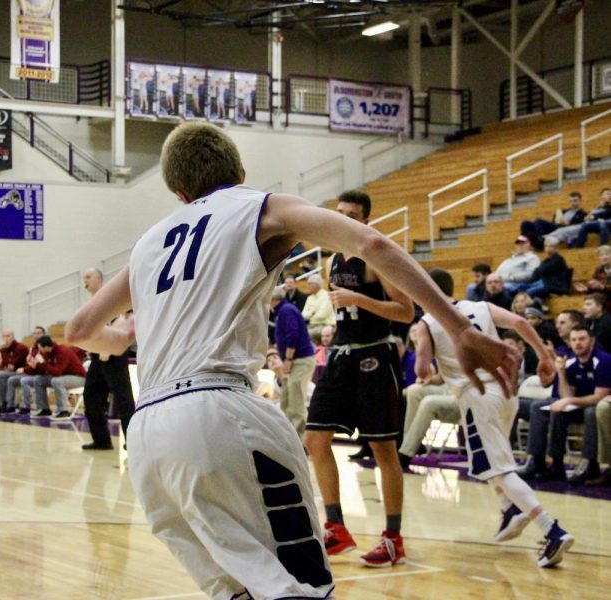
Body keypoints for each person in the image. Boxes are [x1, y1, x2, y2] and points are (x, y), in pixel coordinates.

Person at [64, 123, 517, 597]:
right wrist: (460, 328)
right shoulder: (260, 206)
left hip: (148, 434)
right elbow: (373, 245)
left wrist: (135, 334)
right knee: (300, 586)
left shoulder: (148, 244)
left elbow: (81, 331)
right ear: (240, 170)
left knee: (242, 590)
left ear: (177, 192)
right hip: (219, 411)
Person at [414, 268, 573, 568]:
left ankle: (552, 529)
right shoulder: (480, 306)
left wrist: (428, 369)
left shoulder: (426, 322)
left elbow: (423, 370)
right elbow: (520, 322)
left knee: (498, 468)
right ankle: (509, 509)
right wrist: (544, 357)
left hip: (478, 395)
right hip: (506, 392)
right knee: (488, 462)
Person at [305, 190, 418, 567]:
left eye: (352, 214)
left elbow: (405, 312)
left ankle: (393, 538)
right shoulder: (333, 260)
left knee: (383, 449)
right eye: (340, 213)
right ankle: (336, 527)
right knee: (315, 439)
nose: (345, 218)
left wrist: (360, 300)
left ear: (365, 220)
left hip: (375, 356)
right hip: (342, 355)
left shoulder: (376, 257)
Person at [519, 326, 611, 483]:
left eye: (582, 339)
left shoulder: (603, 360)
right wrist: (561, 373)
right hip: (578, 405)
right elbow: (566, 395)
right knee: (551, 409)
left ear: (592, 341)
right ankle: (548, 462)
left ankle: (589, 463)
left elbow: (599, 397)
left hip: (597, 405)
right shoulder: (571, 362)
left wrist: (569, 401)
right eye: (574, 340)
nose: (577, 343)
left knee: (590, 412)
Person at [81, 267, 136, 451]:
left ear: (99, 279)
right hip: (98, 357)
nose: (85, 281)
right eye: (84, 278)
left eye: (88, 277)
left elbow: (121, 323)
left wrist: (109, 348)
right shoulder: (93, 301)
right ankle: (102, 440)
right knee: (91, 397)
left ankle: (133, 440)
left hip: (114, 355)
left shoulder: (110, 298)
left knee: (123, 399)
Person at [271, 286, 316, 437]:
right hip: (293, 360)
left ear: (273, 299)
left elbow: (292, 334)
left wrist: (288, 359)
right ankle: (287, 437)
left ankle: (300, 441)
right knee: (286, 400)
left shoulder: (286, 310)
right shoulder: (282, 311)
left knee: (296, 401)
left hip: (300, 360)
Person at [20, 335, 86, 419]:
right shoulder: (47, 353)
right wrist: (35, 365)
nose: (39, 351)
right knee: (38, 380)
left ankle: (64, 411)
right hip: (63, 376)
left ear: (47, 347)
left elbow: (57, 372)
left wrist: (43, 362)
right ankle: (44, 409)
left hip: (78, 377)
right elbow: (44, 372)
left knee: (56, 381)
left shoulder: (62, 351)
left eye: (40, 348)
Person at [520, 191, 585, 250]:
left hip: (564, 229)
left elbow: (577, 228)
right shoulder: (563, 211)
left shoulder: (583, 214)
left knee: (538, 221)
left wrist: (567, 223)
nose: (573, 203)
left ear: (580, 201)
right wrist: (557, 219)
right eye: (571, 201)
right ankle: (524, 244)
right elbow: (553, 222)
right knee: (525, 223)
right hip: (555, 227)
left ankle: (539, 241)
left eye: (575, 201)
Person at [0, 329, 30, 414]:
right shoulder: (4, 349)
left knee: (1, 375)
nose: (6, 338)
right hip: (11, 372)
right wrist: (3, 350)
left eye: (8, 336)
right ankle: (0, 402)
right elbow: (6, 363)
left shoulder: (21, 347)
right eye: (4, 336)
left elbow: (12, 366)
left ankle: (5, 403)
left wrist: (8, 363)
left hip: (22, 372)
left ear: (13, 336)